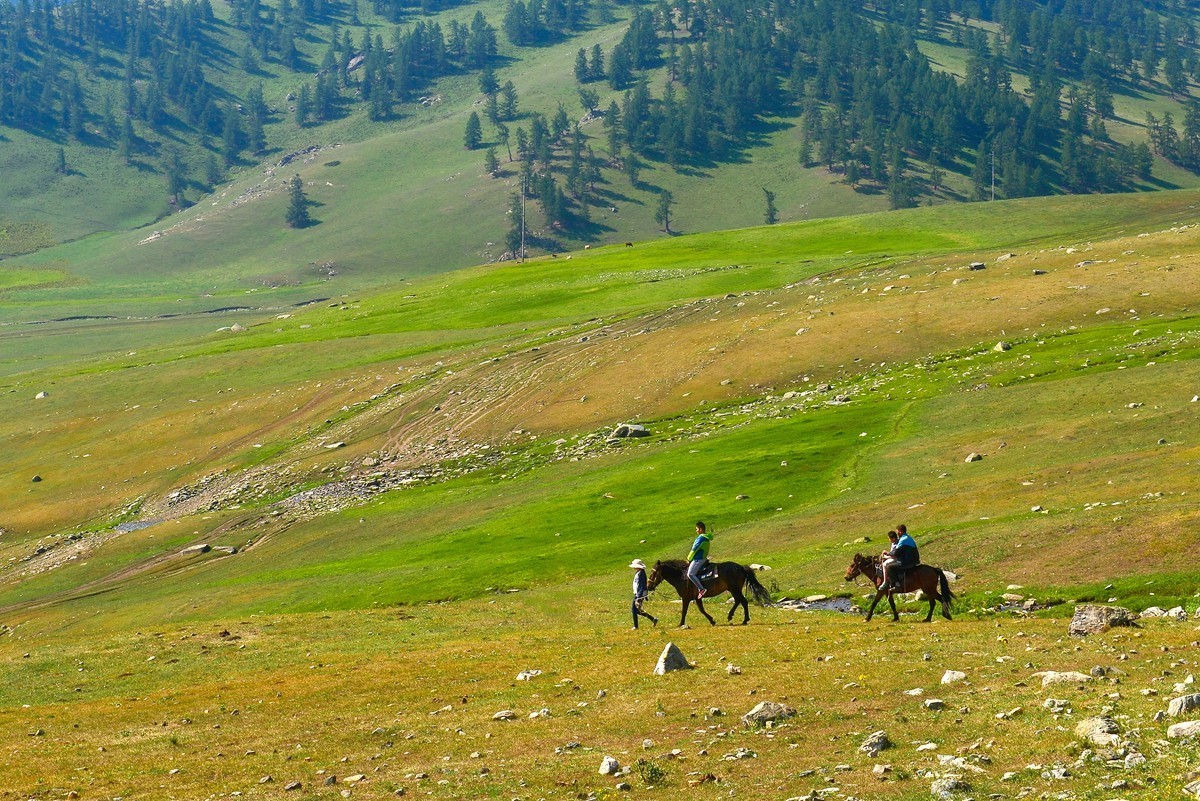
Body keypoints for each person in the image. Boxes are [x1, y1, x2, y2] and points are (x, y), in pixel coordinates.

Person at [883, 524, 920, 591]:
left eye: (897, 531)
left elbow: (896, 553)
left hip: (907, 562)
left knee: (890, 568)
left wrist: (887, 553)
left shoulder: (902, 540)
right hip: (915, 560)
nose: (897, 533)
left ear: (900, 531)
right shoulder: (908, 537)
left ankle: (897, 585)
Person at [686, 521, 713, 598]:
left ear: (700, 529)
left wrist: (689, 558)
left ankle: (701, 589)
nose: (696, 530)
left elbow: (694, 549)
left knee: (690, 574)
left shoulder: (701, 538)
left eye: (697, 529)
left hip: (698, 559)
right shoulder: (707, 537)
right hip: (703, 558)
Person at [629, 559, 658, 629]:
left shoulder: (641, 573)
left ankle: (636, 626)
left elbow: (642, 585)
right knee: (637, 610)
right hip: (638, 593)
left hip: (639, 594)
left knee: (634, 610)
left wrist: (639, 597)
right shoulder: (638, 572)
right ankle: (653, 619)